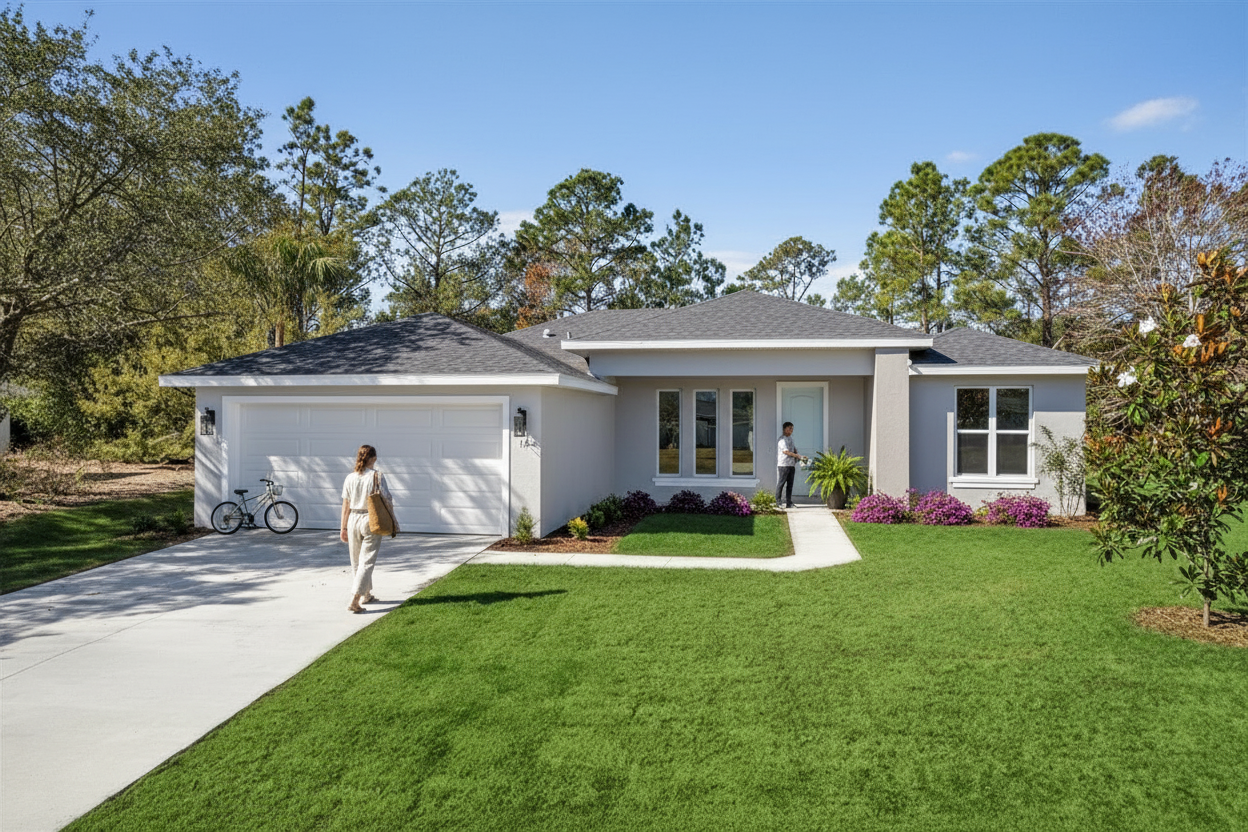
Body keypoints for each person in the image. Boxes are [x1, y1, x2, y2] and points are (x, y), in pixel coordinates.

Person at [339, 444, 393, 613]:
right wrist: (391, 520)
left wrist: (343, 528)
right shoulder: (377, 476)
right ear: (374, 458)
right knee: (366, 561)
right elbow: (387, 499)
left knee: (356, 561)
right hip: (371, 519)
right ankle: (355, 600)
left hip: (353, 519)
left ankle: (366, 595)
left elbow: (345, 505)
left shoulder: (350, 478)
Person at [776, 421, 808, 509]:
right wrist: (797, 456)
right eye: (789, 428)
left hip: (791, 464)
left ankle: (789, 503)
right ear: (784, 429)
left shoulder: (790, 439)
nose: (791, 430)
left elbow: (794, 449)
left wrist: (800, 456)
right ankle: (778, 501)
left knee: (790, 485)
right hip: (784, 465)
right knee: (781, 483)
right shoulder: (782, 440)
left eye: (792, 429)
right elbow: (786, 451)